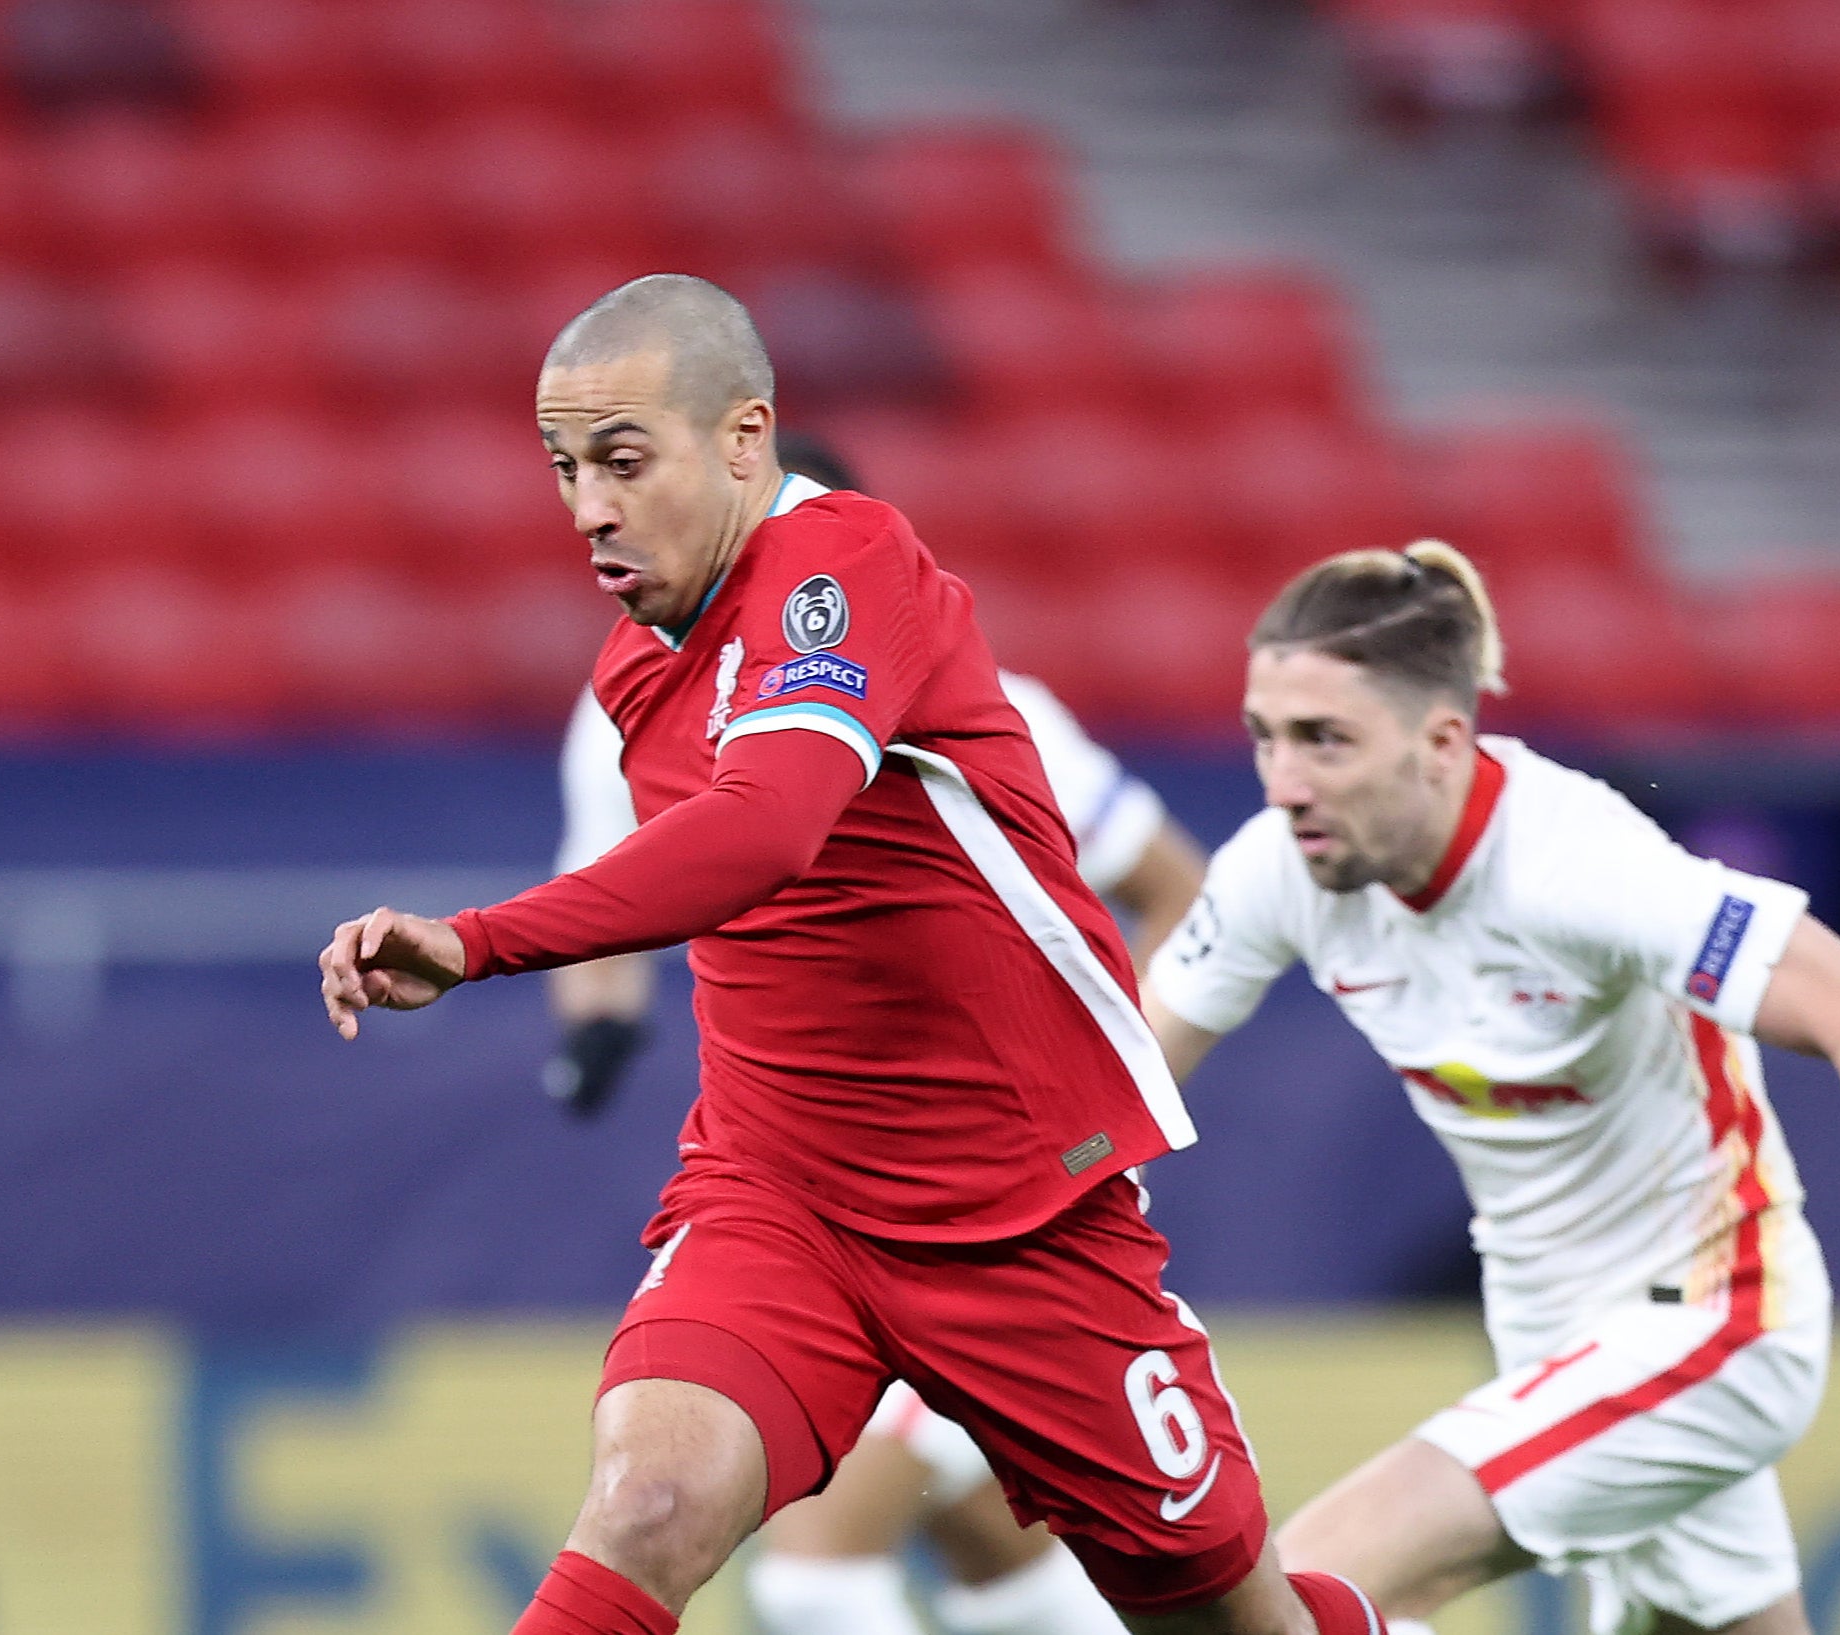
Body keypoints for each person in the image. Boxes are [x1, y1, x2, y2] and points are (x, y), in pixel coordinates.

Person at [319, 273, 1387, 1635]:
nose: (588, 508)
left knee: (1225, 1615)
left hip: (1011, 1219)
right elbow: (701, 897)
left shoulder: (847, 566)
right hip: (782, 1200)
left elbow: (763, 830)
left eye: (624, 461)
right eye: (564, 469)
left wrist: (475, 941)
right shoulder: (638, 670)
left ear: (747, 439)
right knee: (649, 1505)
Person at [1139, 540, 1840, 1635]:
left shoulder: (1573, 864)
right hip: (1553, 1340)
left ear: (1443, 742)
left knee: (1294, 1593)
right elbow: (1115, 1092)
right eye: (1265, 738)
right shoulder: (1281, 865)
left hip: (1710, 1325)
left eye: (1325, 740)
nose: (1284, 782)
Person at [545, 429, 1204, 1635]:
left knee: (820, 1570)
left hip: (997, 1205)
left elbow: (1171, 889)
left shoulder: (986, 699)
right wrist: (588, 1033)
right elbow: (613, 902)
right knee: (967, 1554)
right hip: (806, 1199)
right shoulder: (631, 698)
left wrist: (1099, 1093)